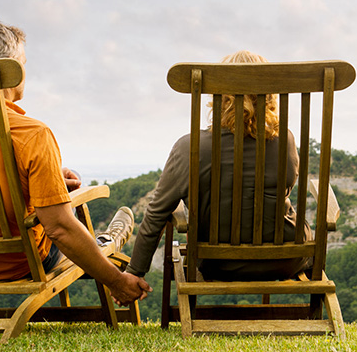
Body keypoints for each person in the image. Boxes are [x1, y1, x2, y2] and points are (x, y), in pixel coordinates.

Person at [0, 21, 151, 306]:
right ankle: (109, 242)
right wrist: (117, 281)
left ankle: (106, 240)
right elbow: (59, 229)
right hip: (22, 261)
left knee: (60, 203)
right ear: (11, 71)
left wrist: (48, 177)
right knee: (77, 220)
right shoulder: (31, 133)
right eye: (23, 64)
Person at [128, 50, 315, 283]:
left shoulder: (189, 147)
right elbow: (287, 186)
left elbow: (157, 213)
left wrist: (135, 272)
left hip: (218, 264)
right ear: (269, 95)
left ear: (220, 95)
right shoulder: (284, 140)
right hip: (285, 260)